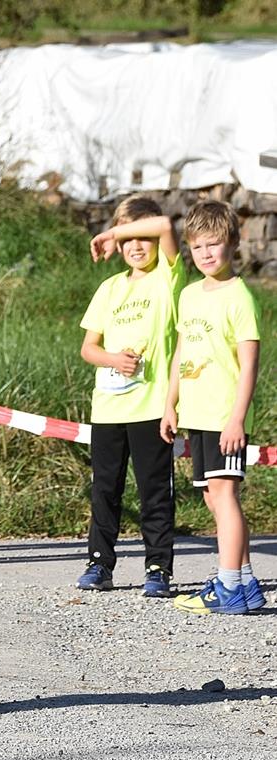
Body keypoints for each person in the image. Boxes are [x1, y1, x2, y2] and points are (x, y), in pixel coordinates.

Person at [74, 196, 182, 597]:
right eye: (127, 239)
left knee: (153, 490)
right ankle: (99, 564)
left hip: (151, 406)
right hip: (108, 406)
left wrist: (114, 230)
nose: (136, 246)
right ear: (119, 248)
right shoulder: (109, 287)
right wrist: (113, 359)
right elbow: (89, 348)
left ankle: (158, 568)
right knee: (105, 488)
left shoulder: (167, 278)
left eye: (142, 237)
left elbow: (168, 226)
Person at [163, 200, 265, 615]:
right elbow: (181, 350)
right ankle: (245, 583)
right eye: (199, 246)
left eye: (216, 245)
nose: (207, 254)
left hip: (226, 416)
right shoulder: (188, 295)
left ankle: (227, 587)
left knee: (225, 495)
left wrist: (237, 418)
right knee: (210, 496)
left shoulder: (239, 297)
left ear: (234, 244)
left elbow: (249, 365)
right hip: (196, 413)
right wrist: (170, 404)